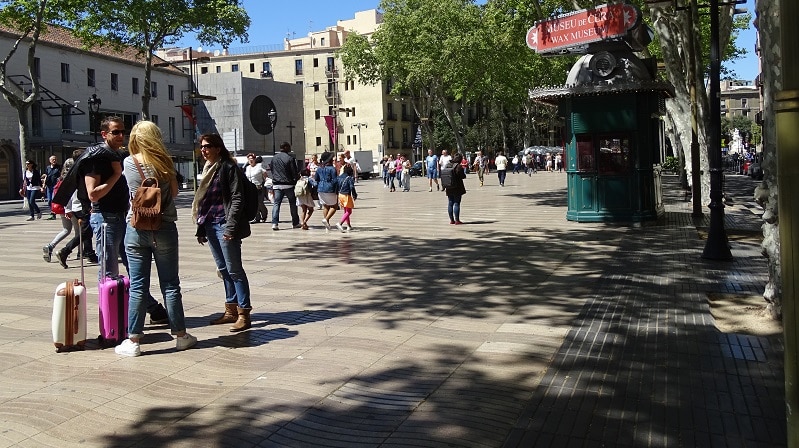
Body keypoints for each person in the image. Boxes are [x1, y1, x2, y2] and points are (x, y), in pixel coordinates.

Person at [53, 116, 169, 323]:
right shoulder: (96, 157)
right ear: (104, 134)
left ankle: (151, 309)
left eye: (122, 131)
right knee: (109, 271)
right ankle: (110, 319)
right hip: (105, 219)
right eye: (115, 132)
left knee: (133, 269)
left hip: (123, 218)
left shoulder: (120, 155)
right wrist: (117, 173)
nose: (120, 136)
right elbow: (93, 194)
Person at [115, 121, 196, 356]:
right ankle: (181, 335)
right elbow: (175, 192)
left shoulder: (129, 162)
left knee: (139, 285)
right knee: (170, 284)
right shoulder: (165, 162)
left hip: (137, 227)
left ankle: (133, 341)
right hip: (164, 227)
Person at [192, 133, 253, 332]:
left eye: (207, 146)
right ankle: (230, 310)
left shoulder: (228, 167)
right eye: (202, 146)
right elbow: (205, 202)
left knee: (234, 270)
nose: (204, 150)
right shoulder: (208, 168)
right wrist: (201, 228)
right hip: (210, 224)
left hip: (225, 224)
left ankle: (244, 313)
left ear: (218, 148)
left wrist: (231, 226)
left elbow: (237, 198)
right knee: (223, 270)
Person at [55, 149, 97, 267]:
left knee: (86, 231)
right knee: (86, 231)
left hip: (78, 206)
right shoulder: (80, 172)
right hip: (81, 206)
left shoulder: (75, 171)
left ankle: (88, 253)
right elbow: (73, 191)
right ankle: (65, 251)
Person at [43, 157, 75, 262]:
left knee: (66, 229)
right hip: (70, 208)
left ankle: (51, 246)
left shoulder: (61, 178)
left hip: (62, 207)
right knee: (80, 233)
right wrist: (68, 209)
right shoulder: (71, 178)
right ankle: (75, 252)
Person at [269, 141, 301, 231]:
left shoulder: (274, 158)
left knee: (276, 204)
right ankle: (295, 223)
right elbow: (294, 172)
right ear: (286, 147)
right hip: (288, 184)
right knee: (292, 204)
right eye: (289, 147)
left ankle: (274, 223)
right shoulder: (290, 159)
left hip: (277, 184)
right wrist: (296, 178)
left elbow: (271, 169)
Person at [314, 151, 339, 230]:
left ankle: (327, 224)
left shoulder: (319, 168)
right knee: (334, 206)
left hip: (320, 189)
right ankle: (326, 219)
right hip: (330, 189)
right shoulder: (332, 169)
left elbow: (316, 179)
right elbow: (335, 180)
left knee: (325, 206)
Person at [244, 153, 269, 223]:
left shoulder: (259, 166)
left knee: (259, 203)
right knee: (253, 203)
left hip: (259, 187)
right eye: (249, 159)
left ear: (255, 159)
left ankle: (264, 214)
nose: (250, 161)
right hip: (250, 188)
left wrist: (267, 183)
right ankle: (257, 217)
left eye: (252, 159)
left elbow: (265, 176)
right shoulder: (247, 168)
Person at [444, 153, 467, 225]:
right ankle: (457, 220)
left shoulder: (447, 165)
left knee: (450, 203)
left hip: (448, 186)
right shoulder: (458, 166)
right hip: (457, 187)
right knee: (457, 203)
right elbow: (463, 176)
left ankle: (451, 220)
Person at [335, 164, 358, 232]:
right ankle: (340, 223)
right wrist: (354, 195)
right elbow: (351, 187)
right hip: (346, 195)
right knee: (349, 211)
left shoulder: (339, 177)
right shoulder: (349, 178)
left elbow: (337, 186)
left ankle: (348, 225)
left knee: (346, 211)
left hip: (340, 195)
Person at [44, 155, 61, 219]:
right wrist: (43, 185)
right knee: (49, 200)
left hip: (56, 186)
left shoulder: (59, 167)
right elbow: (46, 176)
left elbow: (61, 175)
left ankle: (53, 213)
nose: (54, 160)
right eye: (53, 159)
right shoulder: (48, 167)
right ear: (50, 161)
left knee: (54, 200)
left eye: (55, 159)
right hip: (49, 185)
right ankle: (52, 211)